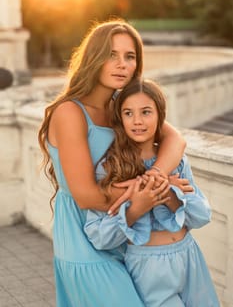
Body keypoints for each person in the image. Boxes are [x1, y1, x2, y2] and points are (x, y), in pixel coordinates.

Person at [38, 19, 186, 307]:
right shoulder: (70, 112)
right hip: (83, 241)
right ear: (93, 58)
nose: (122, 64)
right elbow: (85, 196)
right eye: (111, 55)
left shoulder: (123, 107)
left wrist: (155, 175)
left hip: (127, 234)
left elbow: (175, 139)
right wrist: (158, 191)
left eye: (129, 56)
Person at [84, 79, 220, 307]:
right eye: (128, 113)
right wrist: (137, 208)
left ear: (160, 116)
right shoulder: (110, 167)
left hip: (189, 256)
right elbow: (98, 236)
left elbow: (201, 216)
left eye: (146, 112)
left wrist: (170, 194)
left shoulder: (175, 161)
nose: (137, 121)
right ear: (120, 118)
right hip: (149, 269)